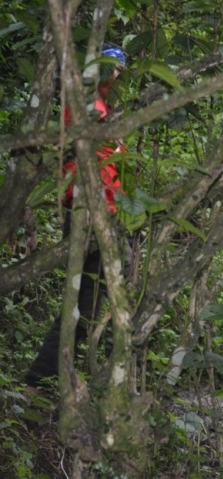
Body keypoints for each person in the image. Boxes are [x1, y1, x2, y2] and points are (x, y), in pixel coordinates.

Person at [25, 44, 127, 390]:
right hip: (87, 210)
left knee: (92, 305)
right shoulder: (83, 104)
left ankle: (51, 378)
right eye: (109, 67)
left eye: (117, 70)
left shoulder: (104, 107)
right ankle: (39, 379)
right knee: (83, 304)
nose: (112, 75)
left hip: (107, 213)